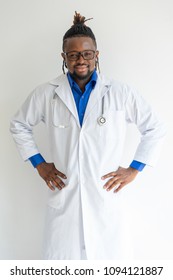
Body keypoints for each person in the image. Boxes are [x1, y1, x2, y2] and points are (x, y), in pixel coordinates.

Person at [10, 11, 166, 260]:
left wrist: (134, 169)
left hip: (105, 203)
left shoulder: (119, 93)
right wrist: (39, 164)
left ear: (96, 55)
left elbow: (155, 128)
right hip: (65, 202)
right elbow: (18, 124)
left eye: (86, 53)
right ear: (64, 57)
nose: (80, 60)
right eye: (73, 55)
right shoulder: (46, 94)